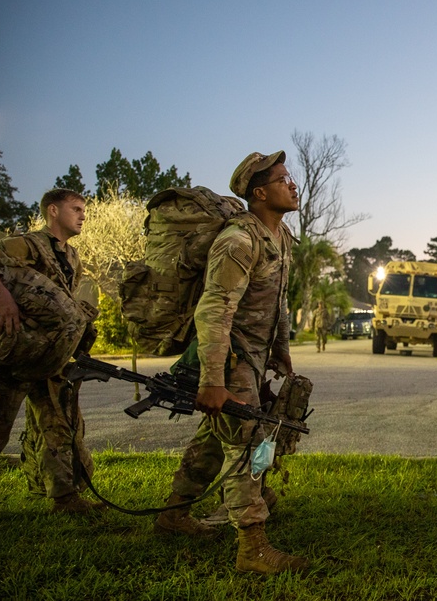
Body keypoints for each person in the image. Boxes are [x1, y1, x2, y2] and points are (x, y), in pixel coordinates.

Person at [154, 150, 309, 575]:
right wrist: (211, 380)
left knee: (212, 441)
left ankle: (173, 515)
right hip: (229, 359)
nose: (291, 184)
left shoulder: (279, 238)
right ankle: (252, 549)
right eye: (282, 179)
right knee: (243, 444)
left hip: (253, 359)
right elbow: (214, 310)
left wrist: (280, 352)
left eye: (289, 177)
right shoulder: (239, 240)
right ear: (259, 192)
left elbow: (278, 303)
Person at [0, 188, 101, 513]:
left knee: (60, 425)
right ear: (53, 211)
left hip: (46, 358)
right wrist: (2, 298)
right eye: (76, 209)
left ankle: (65, 498)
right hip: (12, 352)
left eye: (83, 210)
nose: (82, 215)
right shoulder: (27, 244)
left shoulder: (73, 257)